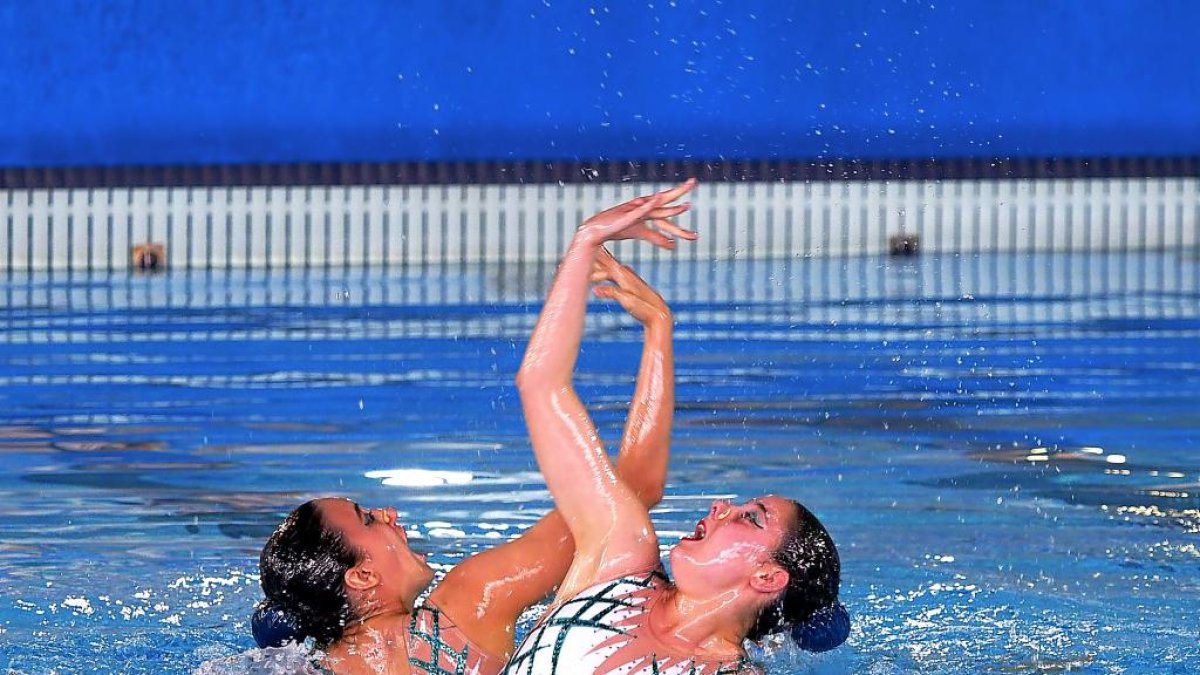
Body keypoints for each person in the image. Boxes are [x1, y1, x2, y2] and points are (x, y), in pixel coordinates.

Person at [253, 187, 695, 675]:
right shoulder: (463, 612)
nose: (389, 511)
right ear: (362, 576)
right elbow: (631, 493)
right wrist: (657, 328)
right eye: (369, 519)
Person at [503, 179, 848, 675]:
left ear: (769, 577)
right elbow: (541, 385)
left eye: (749, 518)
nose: (721, 507)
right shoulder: (617, 556)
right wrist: (585, 244)